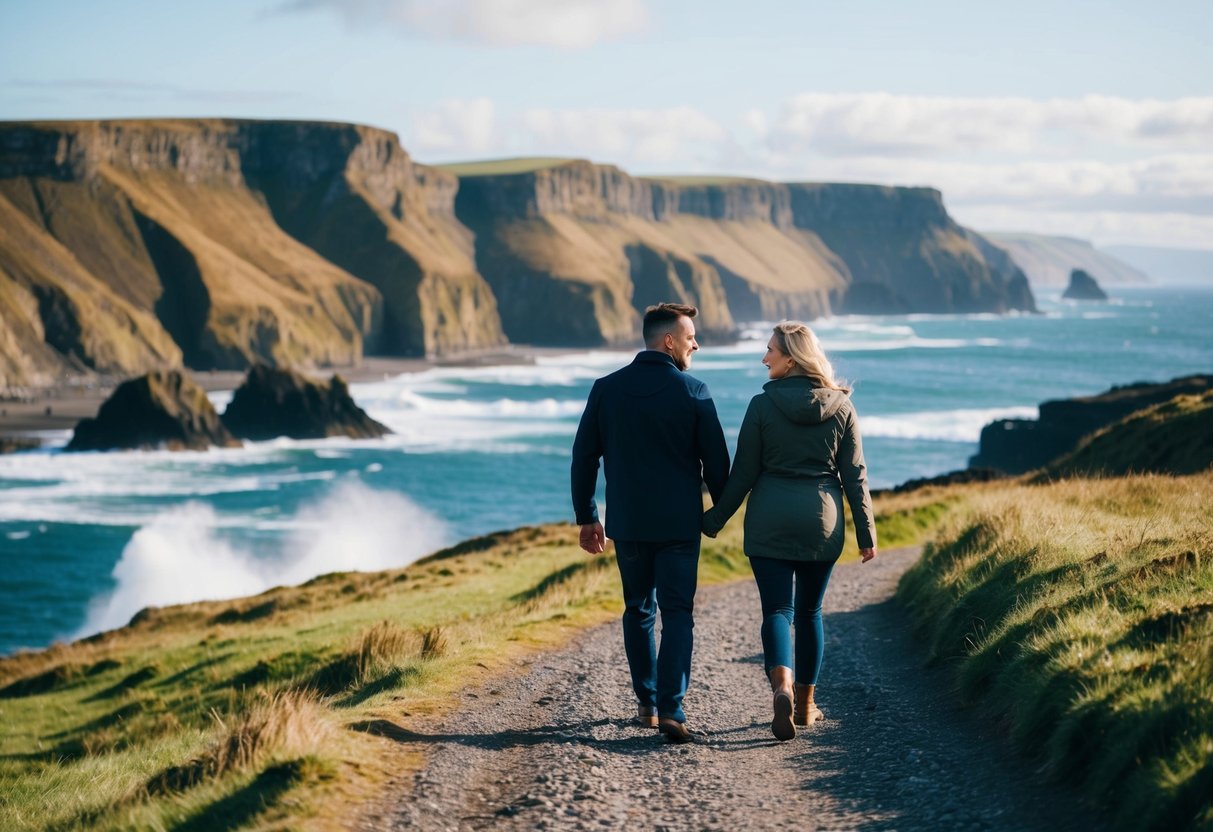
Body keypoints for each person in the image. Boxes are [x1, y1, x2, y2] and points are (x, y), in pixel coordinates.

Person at [702, 321, 877, 742]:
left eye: (770, 351)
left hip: (770, 517)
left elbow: (743, 472)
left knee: (778, 610)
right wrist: (866, 533)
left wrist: (713, 519)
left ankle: (780, 685)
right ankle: (804, 705)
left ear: (792, 357)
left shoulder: (761, 406)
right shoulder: (843, 407)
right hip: (822, 519)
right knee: (810, 612)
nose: (764, 358)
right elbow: (854, 476)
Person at [571, 302, 730, 744]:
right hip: (679, 526)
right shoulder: (694, 391)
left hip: (629, 524)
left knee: (638, 610)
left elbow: (584, 457)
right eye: (691, 336)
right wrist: (720, 514)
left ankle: (646, 704)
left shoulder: (606, 388)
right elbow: (718, 465)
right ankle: (671, 708)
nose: (696, 343)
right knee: (677, 614)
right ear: (669, 341)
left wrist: (588, 517)